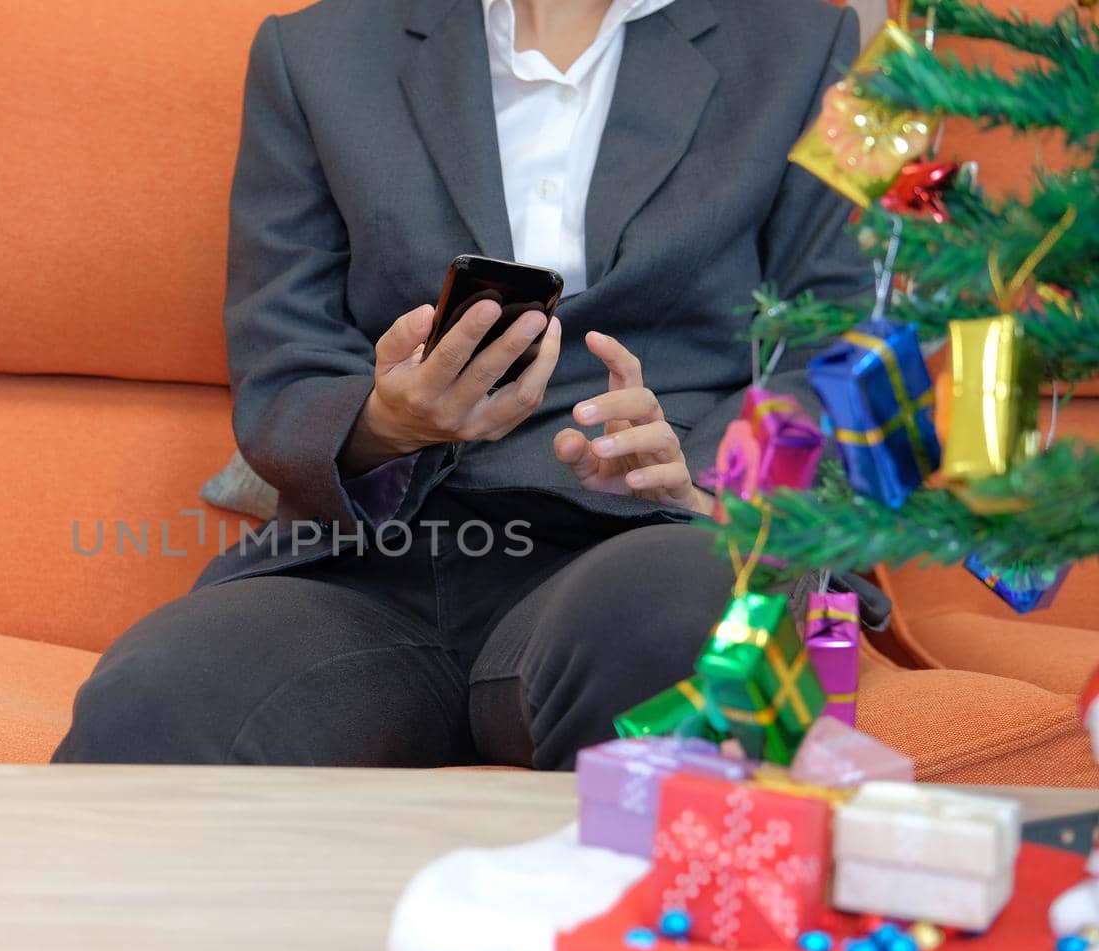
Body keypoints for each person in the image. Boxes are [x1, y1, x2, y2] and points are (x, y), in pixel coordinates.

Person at [54, 0, 869, 769]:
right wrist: (387, 420)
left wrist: (711, 475)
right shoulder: (316, 53)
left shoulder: (807, 50)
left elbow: (846, 340)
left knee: (684, 614)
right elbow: (284, 367)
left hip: (647, 538)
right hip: (375, 558)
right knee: (156, 697)